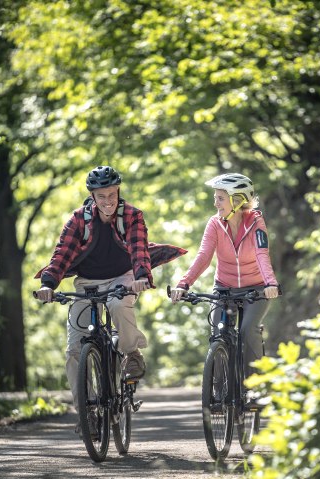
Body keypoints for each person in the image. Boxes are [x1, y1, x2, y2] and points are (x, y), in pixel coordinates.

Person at [35, 165, 186, 436]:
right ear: (92, 196)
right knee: (73, 351)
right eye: (101, 196)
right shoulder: (77, 220)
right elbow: (62, 255)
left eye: (112, 194)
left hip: (123, 276)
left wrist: (141, 277)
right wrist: (48, 285)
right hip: (87, 282)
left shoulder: (131, 216)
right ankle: (86, 412)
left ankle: (131, 353)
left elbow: (140, 251)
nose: (107, 201)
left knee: (118, 304)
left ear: (118, 192)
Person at [170, 172, 279, 380]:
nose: (215, 204)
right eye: (215, 198)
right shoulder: (214, 224)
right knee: (218, 332)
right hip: (224, 288)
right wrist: (184, 284)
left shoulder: (256, 223)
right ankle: (220, 393)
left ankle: (255, 387)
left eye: (220, 198)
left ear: (237, 201)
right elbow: (203, 257)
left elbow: (261, 254)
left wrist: (270, 283)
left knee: (248, 330)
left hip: (256, 289)